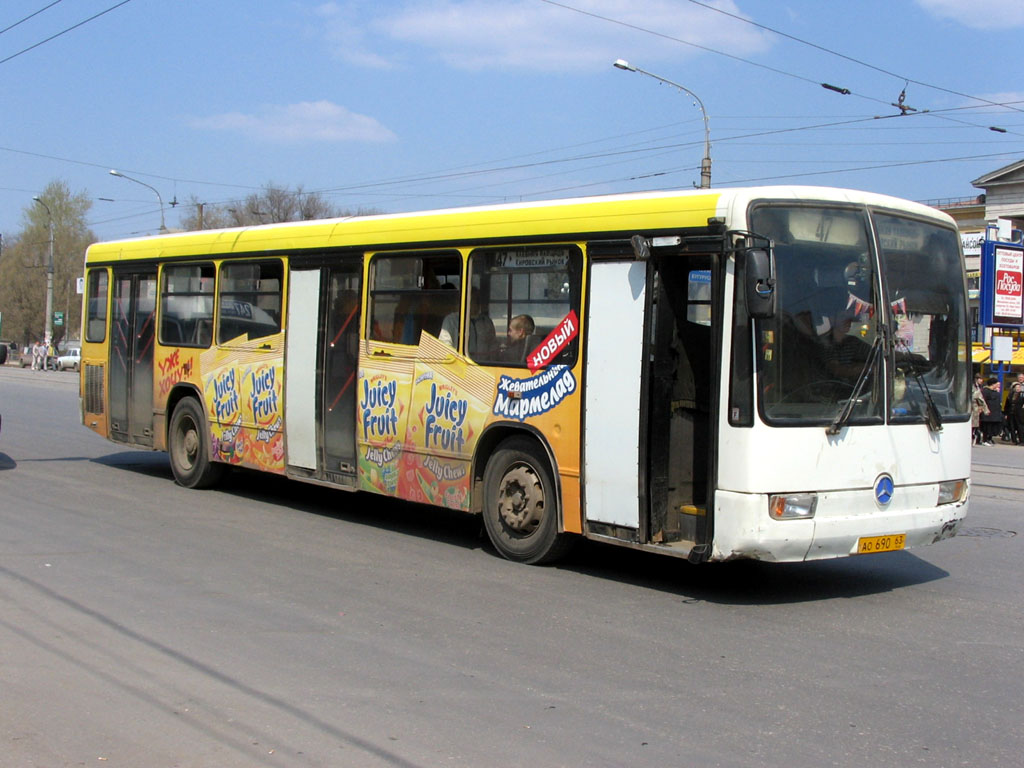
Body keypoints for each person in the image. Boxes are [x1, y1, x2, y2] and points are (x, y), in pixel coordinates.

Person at [439, 291, 496, 358]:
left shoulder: (486, 322)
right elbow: (445, 344)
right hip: (460, 363)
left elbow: (493, 344)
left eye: (478, 300)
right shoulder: (451, 320)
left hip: (483, 364)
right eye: (474, 300)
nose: (477, 304)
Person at [980, 378, 1003, 446]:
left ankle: (989, 438)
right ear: (993, 384)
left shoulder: (996, 392)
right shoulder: (985, 391)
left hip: (995, 413)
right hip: (988, 412)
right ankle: (985, 440)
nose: (998, 385)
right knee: (987, 427)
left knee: (993, 427)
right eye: (996, 383)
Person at [971, 374, 988, 445]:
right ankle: (972, 437)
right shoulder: (973, 387)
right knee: (972, 424)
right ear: (976, 379)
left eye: (982, 379)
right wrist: (985, 409)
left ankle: (974, 438)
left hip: (976, 408)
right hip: (972, 407)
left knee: (975, 425)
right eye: (980, 379)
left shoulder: (980, 387)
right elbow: (979, 398)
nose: (981, 380)